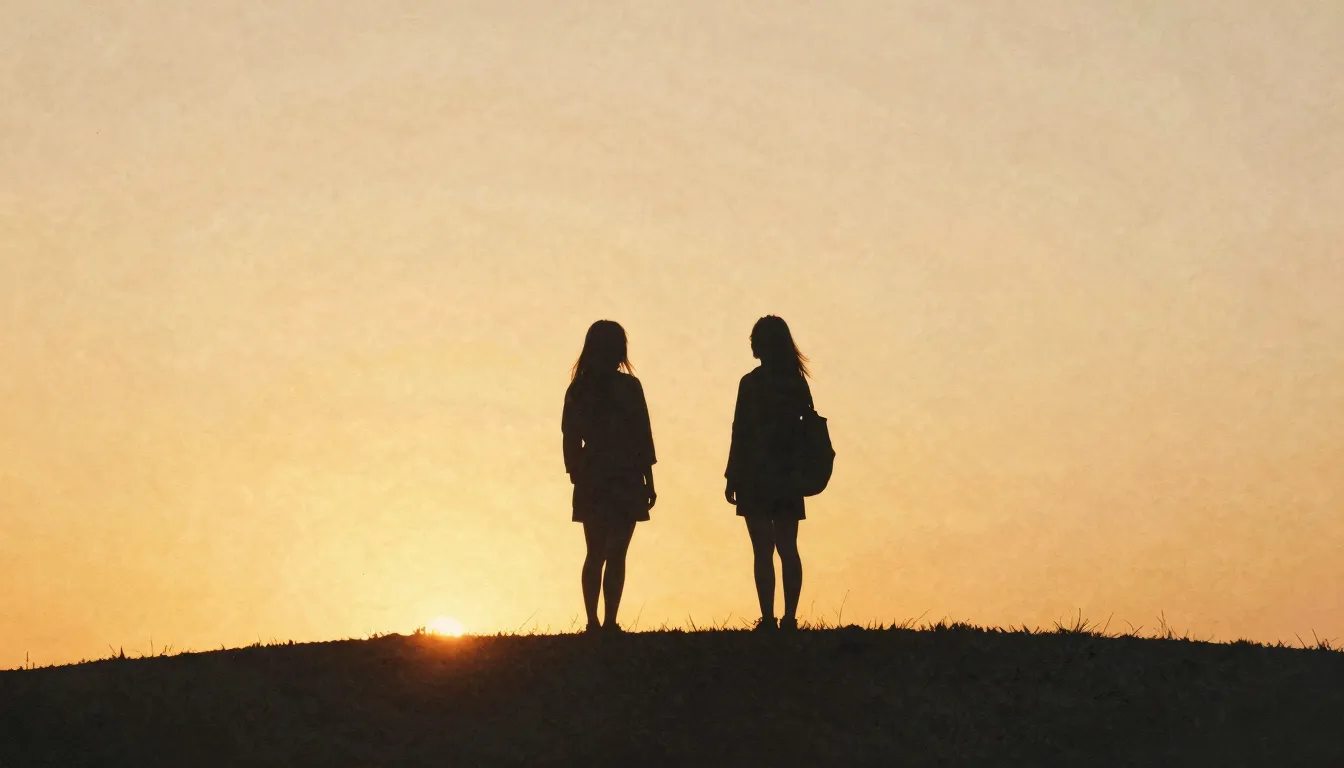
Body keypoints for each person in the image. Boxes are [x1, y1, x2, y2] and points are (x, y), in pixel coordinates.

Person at [562, 320, 657, 633]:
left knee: (596, 552)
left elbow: (569, 436)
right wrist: (648, 480)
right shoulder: (629, 387)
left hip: (594, 472)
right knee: (616, 554)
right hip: (625, 473)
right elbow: (642, 436)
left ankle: (594, 622)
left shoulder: (579, 388)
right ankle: (608, 621)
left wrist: (576, 471)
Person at [725, 315, 813, 631]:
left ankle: (769, 617)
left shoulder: (750, 383)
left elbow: (740, 431)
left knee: (762, 549)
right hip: (787, 473)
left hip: (755, 474)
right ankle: (789, 618)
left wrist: (732, 475)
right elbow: (808, 427)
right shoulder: (795, 383)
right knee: (787, 546)